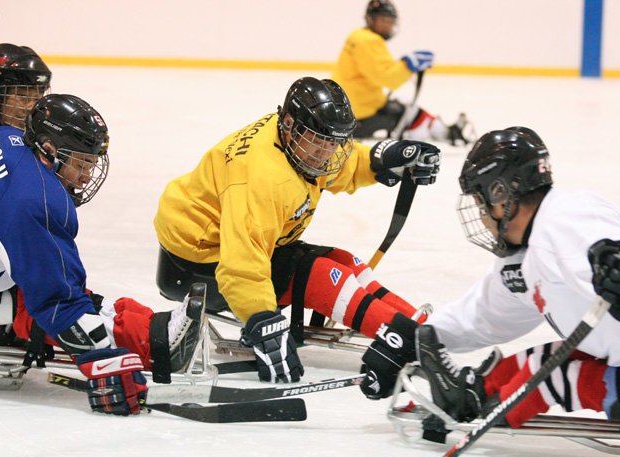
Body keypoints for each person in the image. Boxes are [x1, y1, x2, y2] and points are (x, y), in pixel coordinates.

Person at [154, 76, 441, 385]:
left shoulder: (297, 141)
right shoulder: (262, 177)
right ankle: (407, 338)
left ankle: (420, 326)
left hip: (230, 242)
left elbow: (336, 159)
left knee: (344, 262)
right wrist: (261, 319)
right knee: (321, 277)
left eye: (334, 142)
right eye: (320, 142)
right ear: (290, 125)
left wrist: (384, 157)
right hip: (197, 262)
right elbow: (241, 266)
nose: (327, 152)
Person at [359, 126, 620, 429]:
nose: (481, 216)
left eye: (481, 204)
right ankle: (481, 391)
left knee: (549, 377)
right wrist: (413, 338)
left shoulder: (565, 223)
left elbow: (607, 247)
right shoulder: (527, 253)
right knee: (543, 359)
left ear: (501, 194)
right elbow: (485, 316)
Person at [0, 93, 201, 416]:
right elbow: (60, 302)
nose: (87, 176)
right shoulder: (33, 200)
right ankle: (153, 342)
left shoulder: (7, 137)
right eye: (81, 163)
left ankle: (144, 329)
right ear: (49, 150)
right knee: (43, 295)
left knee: (43, 275)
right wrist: (103, 361)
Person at [331, 0, 471, 145]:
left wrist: (404, 64)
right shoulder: (370, 41)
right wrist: (408, 65)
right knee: (413, 113)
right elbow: (389, 79)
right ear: (370, 19)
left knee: (404, 103)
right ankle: (446, 134)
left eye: (390, 21)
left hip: (347, 107)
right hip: (361, 114)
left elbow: (377, 69)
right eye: (383, 20)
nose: (387, 25)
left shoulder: (357, 35)